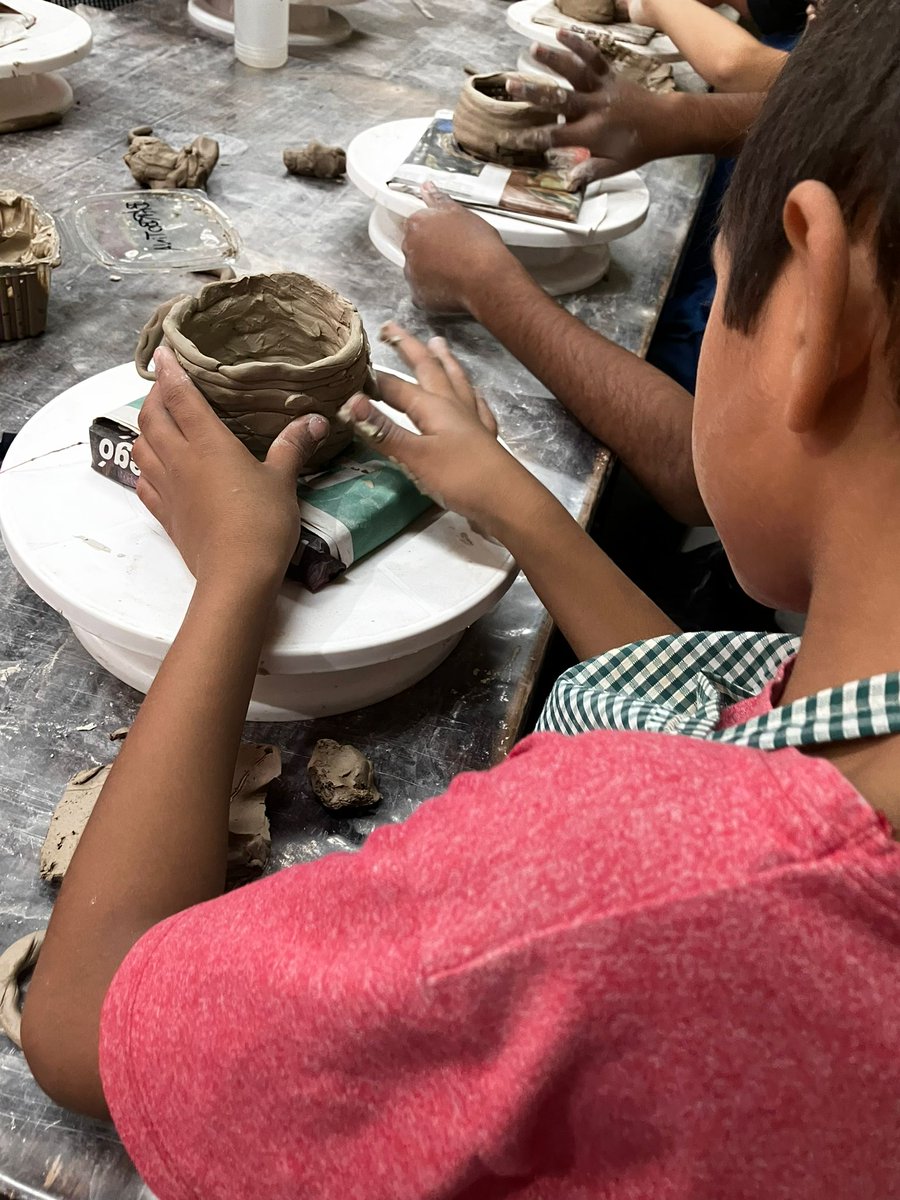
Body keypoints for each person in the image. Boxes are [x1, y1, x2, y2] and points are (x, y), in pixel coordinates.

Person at [20, 2, 900, 1196]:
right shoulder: (847, 724)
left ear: (813, 316)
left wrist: (234, 581)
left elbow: (88, 1025)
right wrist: (525, 510)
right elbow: (721, 726)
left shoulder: (606, 892)